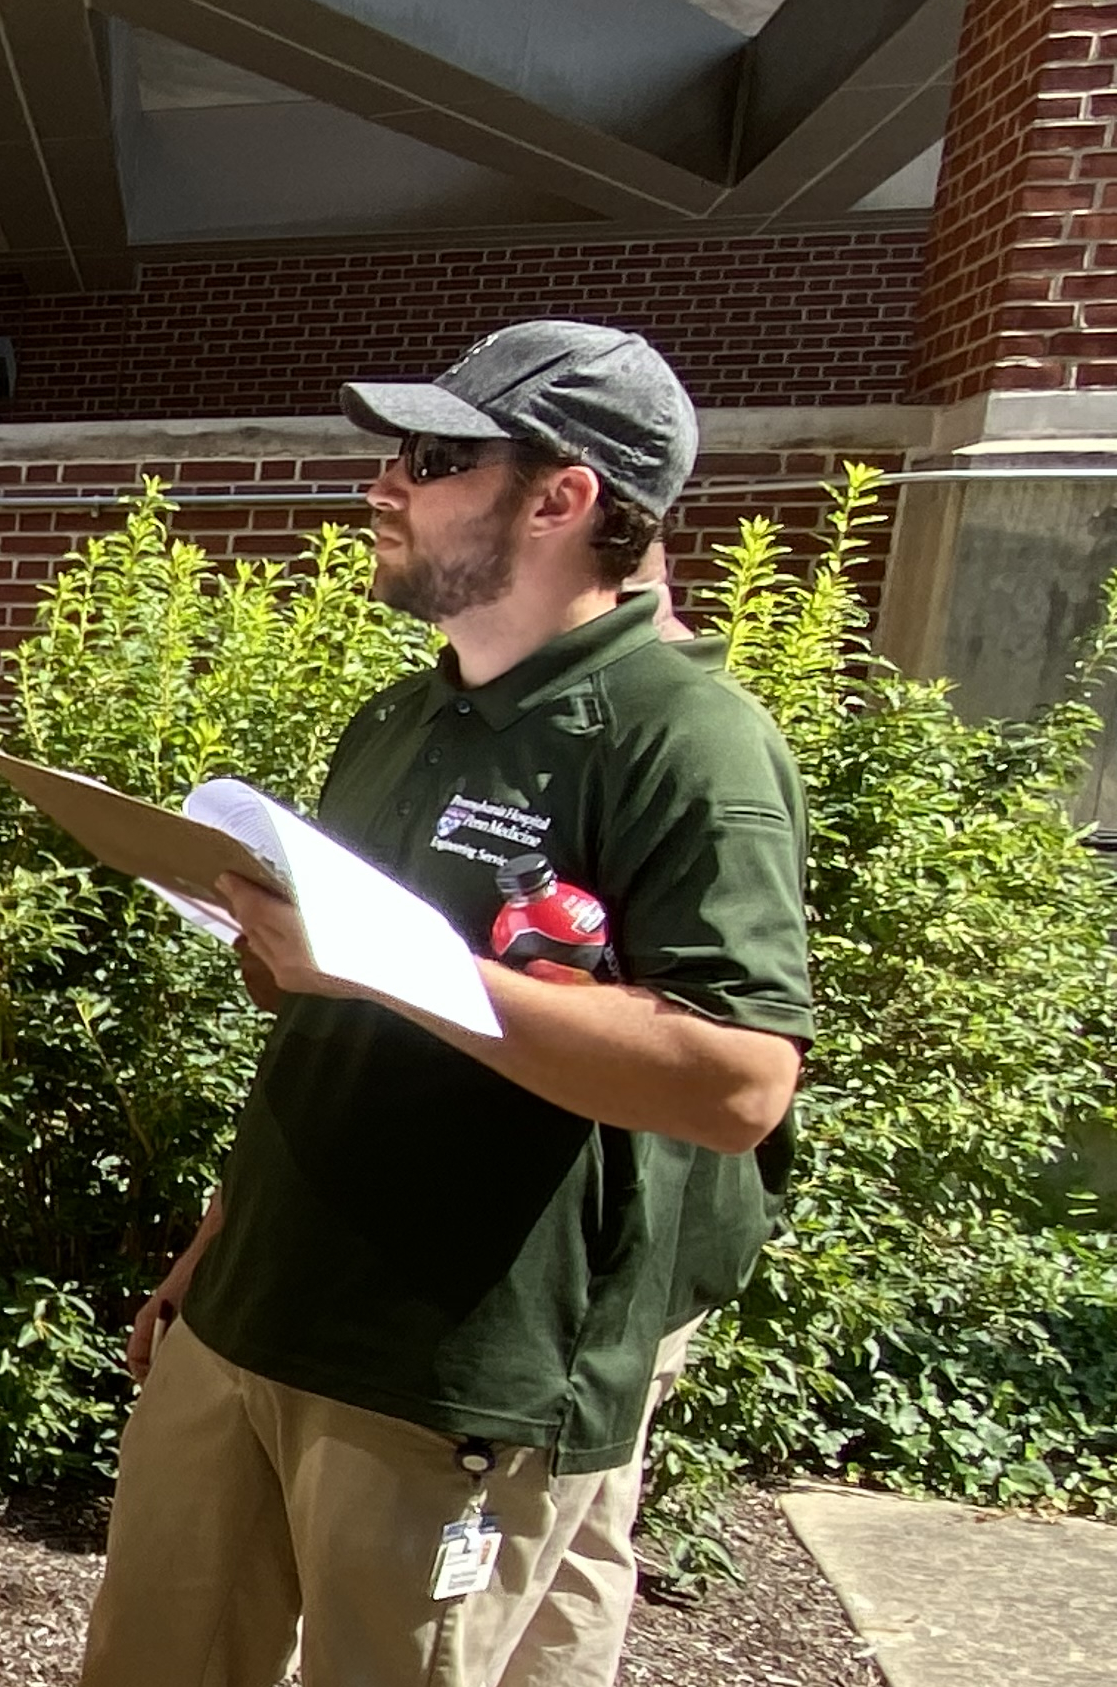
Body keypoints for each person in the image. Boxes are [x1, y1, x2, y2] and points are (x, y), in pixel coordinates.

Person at [78, 321, 811, 1687]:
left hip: (457, 1372)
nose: (381, 484)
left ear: (560, 496)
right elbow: (337, 1028)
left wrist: (392, 966)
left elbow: (736, 1080)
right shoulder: (402, 718)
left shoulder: (684, 738)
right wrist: (214, 1242)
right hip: (255, 1312)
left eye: (431, 456)